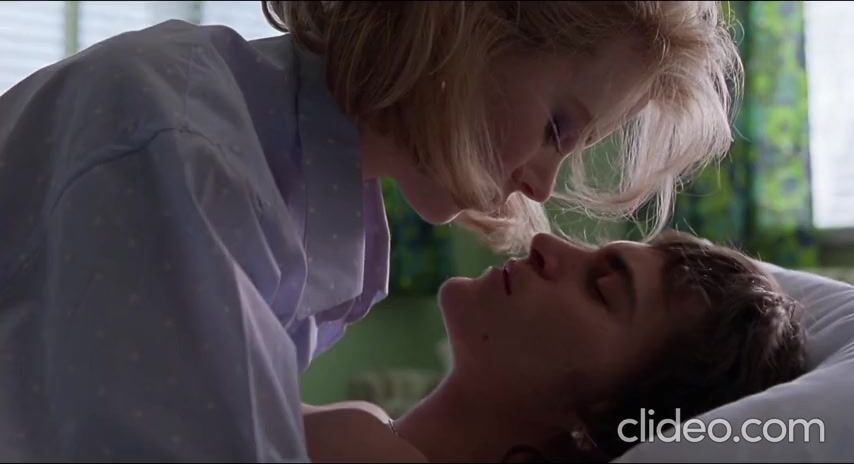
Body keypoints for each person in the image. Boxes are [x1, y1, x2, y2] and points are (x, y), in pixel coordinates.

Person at [0, 1, 742, 460]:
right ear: (471, 26)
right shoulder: (183, 151)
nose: (541, 191)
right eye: (556, 128)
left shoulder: (294, 200)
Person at [303, 231, 807, 463]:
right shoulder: (363, 426)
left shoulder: (356, 448)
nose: (547, 242)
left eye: (602, 289)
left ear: (602, 418)